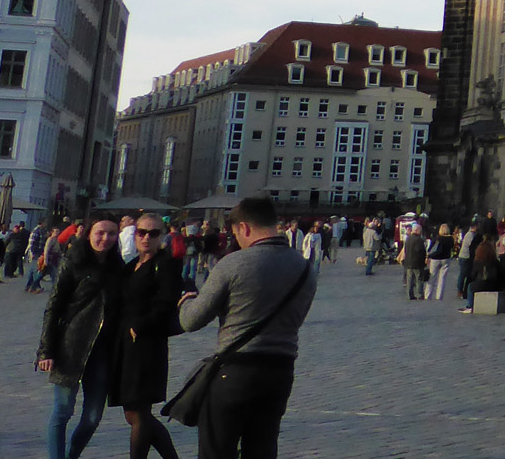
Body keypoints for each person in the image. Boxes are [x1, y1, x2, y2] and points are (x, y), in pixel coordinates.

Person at [176, 194, 318, 459]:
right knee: (262, 449)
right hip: (280, 371)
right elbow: (297, 317)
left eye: (236, 234)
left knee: (217, 451)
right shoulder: (305, 268)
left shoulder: (234, 263)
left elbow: (191, 321)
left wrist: (186, 301)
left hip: (236, 371)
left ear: (244, 228)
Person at [38, 215, 123, 459]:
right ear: (88, 234)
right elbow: (53, 308)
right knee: (62, 412)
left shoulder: (118, 268)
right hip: (70, 347)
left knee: (93, 416)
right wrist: (46, 351)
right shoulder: (72, 262)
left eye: (111, 233)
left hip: (102, 351)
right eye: (100, 232)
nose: (105, 238)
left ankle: (71, 454)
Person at [117, 214, 185, 459]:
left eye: (153, 233)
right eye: (142, 232)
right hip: (127, 346)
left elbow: (166, 301)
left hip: (148, 344)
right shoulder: (132, 264)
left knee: (139, 412)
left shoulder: (165, 263)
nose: (146, 237)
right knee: (132, 413)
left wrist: (141, 325)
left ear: (162, 236)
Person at [425, 224, 455, 302]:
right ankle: (439, 296)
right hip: (446, 259)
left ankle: (428, 295)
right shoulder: (451, 239)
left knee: (432, 278)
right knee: (442, 279)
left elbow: (431, 248)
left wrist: (428, 256)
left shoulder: (438, 238)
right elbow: (452, 247)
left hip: (435, 259)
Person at [401, 223, 429, 300]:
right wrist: (424, 260)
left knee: (410, 279)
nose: (421, 232)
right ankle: (420, 294)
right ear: (417, 230)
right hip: (417, 263)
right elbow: (421, 251)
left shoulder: (408, 238)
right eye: (420, 230)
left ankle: (410, 295)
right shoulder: (419, 240)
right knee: (419, 279)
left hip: (408, 262)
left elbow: (406, 250)